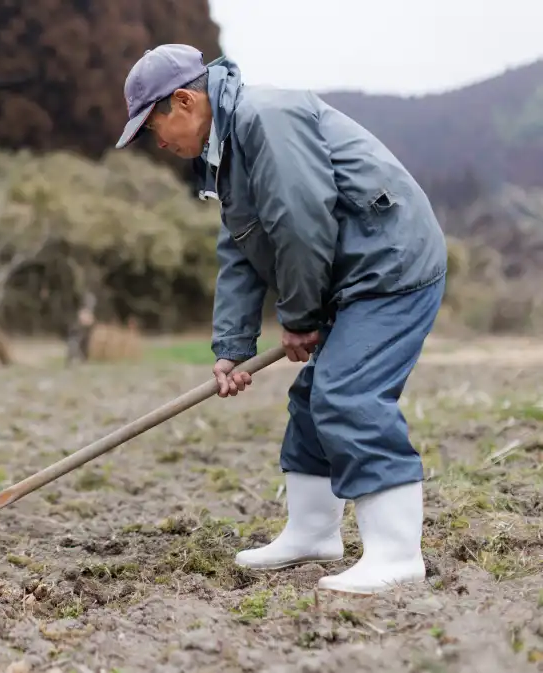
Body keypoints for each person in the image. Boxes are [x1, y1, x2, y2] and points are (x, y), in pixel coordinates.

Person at [114, 44, 448, 595]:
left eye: (154, 128)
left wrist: (299, 316)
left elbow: (300, 223)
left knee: (349, 394)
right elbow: (241, 252)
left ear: (184, 100)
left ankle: (397, 554)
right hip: (354, 276)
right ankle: (313, 533)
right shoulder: (225, 156)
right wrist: (232, 347)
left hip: (392, 266)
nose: (159, 143)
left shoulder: (265, 120)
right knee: (314, 398)